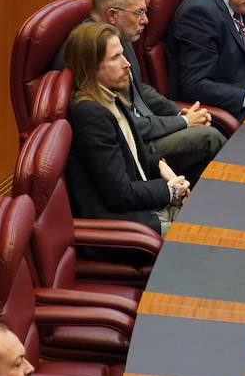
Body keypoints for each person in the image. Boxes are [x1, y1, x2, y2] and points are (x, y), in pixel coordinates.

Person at [85, 0, 226, 181]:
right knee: (210, 138)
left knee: (206, 140)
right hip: (133, 145)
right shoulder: (92, 52)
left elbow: (139, 88)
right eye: (139, 13)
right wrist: (182, 121)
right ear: (113, 15)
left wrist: (178, 111)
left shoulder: (120, 36)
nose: (146, 20)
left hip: (148, 127)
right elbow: (121, 122)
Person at [64, 23, 189, 235]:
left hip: (146, 211)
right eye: (115, 58)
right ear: (92, 66)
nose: (127, 64)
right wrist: (170, 192)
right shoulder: (89, 114)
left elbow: (130, 156)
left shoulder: (111, 96)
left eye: (123, 54)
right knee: (208, 240)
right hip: (126, 227)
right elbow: (119, 194)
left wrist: (159, 164)